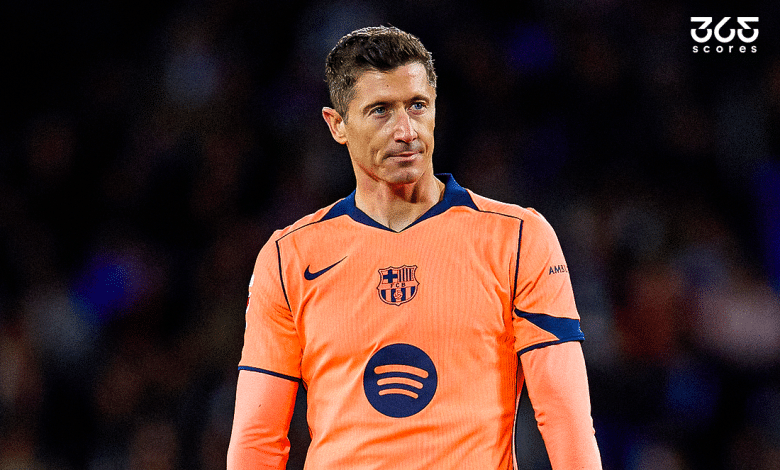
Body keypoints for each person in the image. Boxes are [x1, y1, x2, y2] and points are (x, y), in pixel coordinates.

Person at [227, 26, 602, 469]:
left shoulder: (518, 238)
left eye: (417, 106)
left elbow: (565, 419)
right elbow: (257, 439)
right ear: (337, 125)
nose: (406, 131)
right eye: (381, 111)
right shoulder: (289, 257)